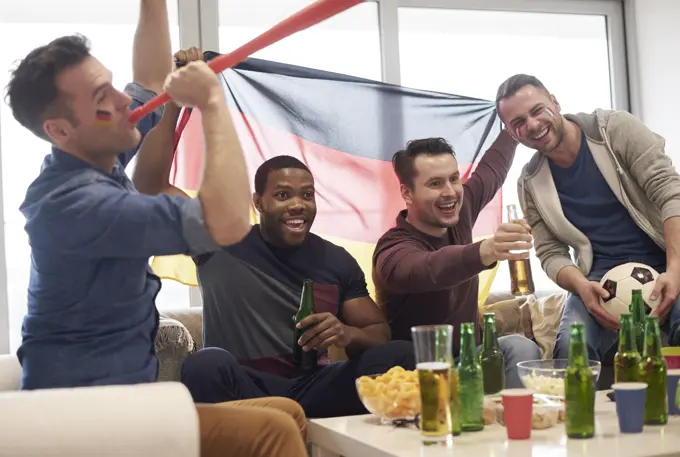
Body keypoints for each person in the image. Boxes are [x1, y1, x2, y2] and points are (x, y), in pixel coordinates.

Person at [5, 1, 306, 455]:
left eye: (111, 85)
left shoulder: (96, 156)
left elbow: (147, 82)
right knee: (273, 433)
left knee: (288, 412)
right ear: (60, 130)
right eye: (102, 98)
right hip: (81, 417)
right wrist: (211, 102)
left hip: (122, 400)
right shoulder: (80, 205)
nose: (124, 102)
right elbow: (225, 222)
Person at [134, 146, 415, 417]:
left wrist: (346, 333)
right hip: (243, 387)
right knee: (205, 364)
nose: (298, 205)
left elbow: (378, 331)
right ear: (259, 202)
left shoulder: (336, 260)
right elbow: (150, 185)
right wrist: (169, 105)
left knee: (403, 354)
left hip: (311, 388)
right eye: (283, 195)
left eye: (307, 195)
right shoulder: (220, 239)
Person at [495, 73, 680, 360]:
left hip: (669, 258)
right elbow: (549, 252)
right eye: (518, 123)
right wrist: (581, 286)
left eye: (537, 110)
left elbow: (670, 194)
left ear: (554, 103)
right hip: (598, 278)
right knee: (572, 345)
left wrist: (675, 268)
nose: (532, 125)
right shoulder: (530, 182)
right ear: (510, 133)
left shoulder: (615, 129)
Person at [372, 133, 542, 388]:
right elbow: (425, 269)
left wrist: (512, 129)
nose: (450, 192)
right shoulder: (393, 248)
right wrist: (486, 250)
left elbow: (491, 171)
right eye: (435, 183)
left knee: (519, 348)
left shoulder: (459, 213)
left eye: (454, 179)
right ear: (407, 193)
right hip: (418, 375)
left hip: (466, 361)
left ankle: (513, 424)